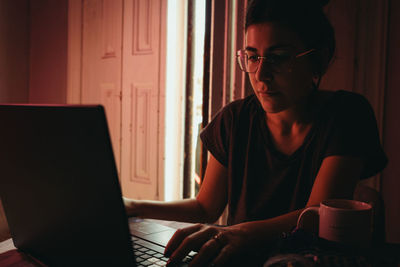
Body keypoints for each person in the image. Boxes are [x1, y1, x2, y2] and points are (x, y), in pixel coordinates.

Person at [124, 0, 387, 265]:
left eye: (279, 57)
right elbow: (205, 207)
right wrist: (134, 206)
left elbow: (316, 213)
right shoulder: (234, 120)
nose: (261, 74)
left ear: (318, 58)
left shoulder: (346, 115)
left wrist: (235, 232)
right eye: (252, 57)